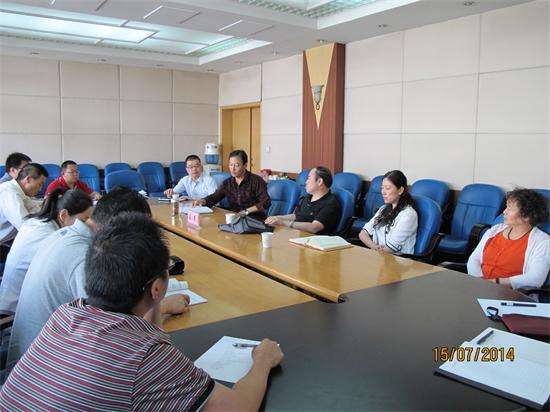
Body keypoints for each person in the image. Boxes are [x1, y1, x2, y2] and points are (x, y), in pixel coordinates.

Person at [0, 212, 284, 410]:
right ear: (157, 288)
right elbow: (238, 407)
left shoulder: (65, 314)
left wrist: (159, 304)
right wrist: (262, 360)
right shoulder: (146, 356)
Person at [6, 188, 189, 369]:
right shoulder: (85, 257)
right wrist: (163, 305)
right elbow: (115, 331)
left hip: (44, 356)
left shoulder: (67, 234)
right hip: (47, 367)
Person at [0, 188, 93, 315]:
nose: (86, 226)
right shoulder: (50, 236)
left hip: (12, 296)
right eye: (83, 220)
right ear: (63, 215)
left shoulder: (37, 222)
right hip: (16, 307)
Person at [467, 188, 550, 289]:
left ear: (527, 216)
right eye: (506, 207)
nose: (504, 212)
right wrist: (478, 282)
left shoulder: (542, 241)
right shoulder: (495, 230)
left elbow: (535, 279)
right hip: (480, 287)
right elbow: (474, 259)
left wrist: (494, 283)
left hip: (510, 294)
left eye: (510, 208)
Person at [193, 150, 271, 219]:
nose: (233, 169)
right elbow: (214, 197)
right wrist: (202, 201)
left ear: (245, 165)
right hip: (235, 218)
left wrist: (246, 211)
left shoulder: (256, 181)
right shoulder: (227, 183)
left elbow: (266, 202)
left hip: (254, 219)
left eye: (236, 165)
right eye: (230, 165)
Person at [265, 166, 342, 235]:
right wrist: (277, 218)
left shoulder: (330, 203)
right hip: (299, 235)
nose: (306, 182)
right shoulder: (308, 197)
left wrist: (284, 223)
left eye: (309, 178)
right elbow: (296, 216)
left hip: (315, 241)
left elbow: (314, 227)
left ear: (319, 181)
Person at [359, 170, 418, 254]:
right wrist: (374, 247)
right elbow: (363, 233)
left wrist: (375, 251)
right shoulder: (383, 209)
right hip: (378, 255)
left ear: (400, 190)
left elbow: (390, 249)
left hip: (398, 260)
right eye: (382, 188)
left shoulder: (408, 215)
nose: (383, 192)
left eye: (387, 188)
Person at [0, 163, 47, 244]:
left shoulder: (19, 191)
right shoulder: (10, 193)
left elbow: (34, 206)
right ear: (28, 179)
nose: (40, 189)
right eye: (40, 184)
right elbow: (25, 226)